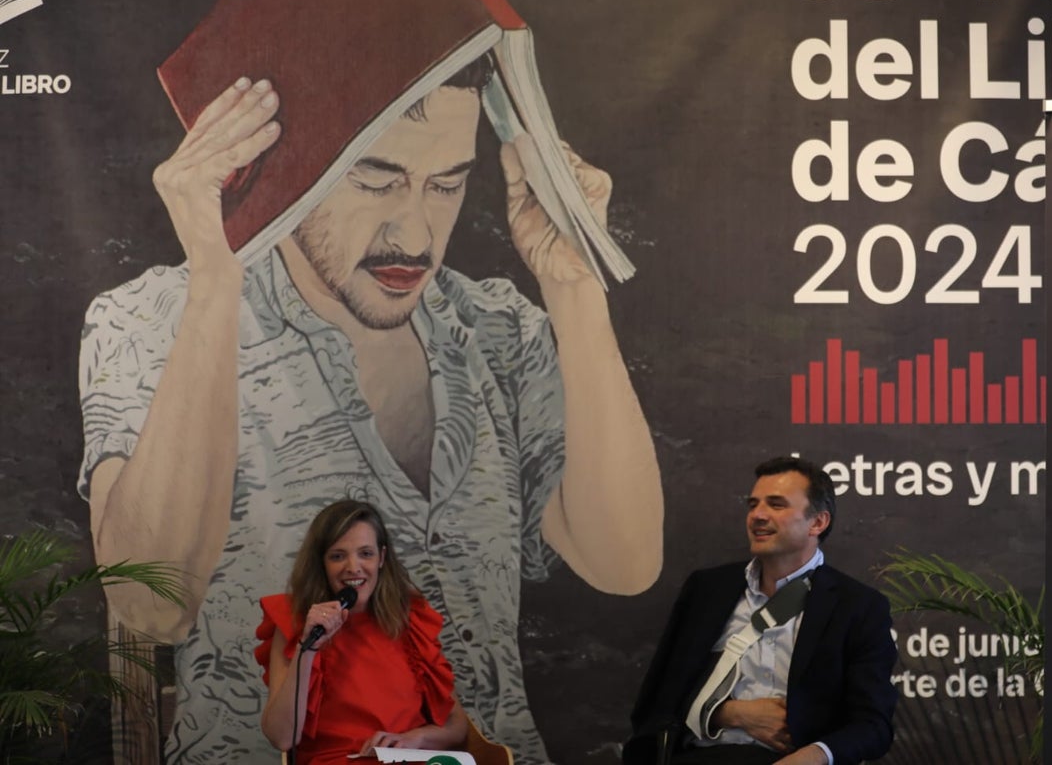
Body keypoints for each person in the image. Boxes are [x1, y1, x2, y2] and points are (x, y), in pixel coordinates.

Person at [77, 52, 661, 763]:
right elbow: (150, 604)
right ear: (287, 166)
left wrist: (573, 287)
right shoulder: (150, 319)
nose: (415, 237)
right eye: (377, 181)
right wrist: (215, 277)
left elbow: (625, 562)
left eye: (445, 185)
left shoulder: (501, 331)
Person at [625, 457, 897, 765]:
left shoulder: (858, 606)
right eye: (753, 504)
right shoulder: (707, 590)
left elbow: (873, 726)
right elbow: (656, 703)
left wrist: (816, 755)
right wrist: (728, 713)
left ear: (817, 522)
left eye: (776, 505)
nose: (758, 515)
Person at [256, 500, 467, 764]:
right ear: (321, 563)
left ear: (382, 557)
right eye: (337, 556)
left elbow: (456, 725)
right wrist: (307, 649)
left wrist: (416, 739)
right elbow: (281, 738)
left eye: (365, 553)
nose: (353, 567)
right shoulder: (294, 620)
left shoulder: (411, 619)